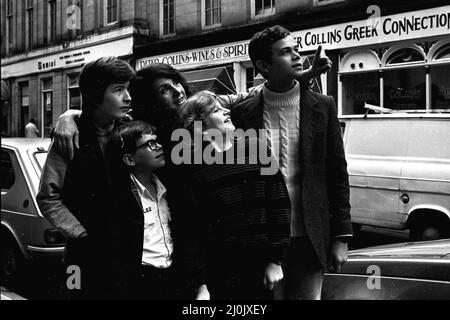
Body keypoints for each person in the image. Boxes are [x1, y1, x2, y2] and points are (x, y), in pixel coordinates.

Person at [229, 25, 353, 300]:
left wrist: (341, 237)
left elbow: (337, 174)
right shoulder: (242, 113)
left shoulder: (323, 106)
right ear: (263, 64)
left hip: (310, 238)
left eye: (297, 49)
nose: (298, 56)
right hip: (263, 241)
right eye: (287, 52)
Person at [36, 56, 135, 299]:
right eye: (118, 90)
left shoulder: (129, 130)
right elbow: (48, 197)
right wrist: (79, 233)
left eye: (127, 89)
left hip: (124, 251)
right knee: (76, 294)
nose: (128, 97)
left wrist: (68, 114)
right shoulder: (68, 138)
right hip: (80, 256)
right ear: (96, 94)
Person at [179, 91, 291, 300]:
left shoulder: (256, 148)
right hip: (219, 270)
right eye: (216, 110)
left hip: (260, 265)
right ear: (200, 128)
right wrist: (201, 284)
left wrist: (275, 260)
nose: (227, 111)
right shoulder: (194, 166)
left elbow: (279, 204)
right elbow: (193, 228)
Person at [107, 120, 187, 299]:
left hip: (172, 276)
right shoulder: (121, 197)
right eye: (149, 144)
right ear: (129, 159)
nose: (158, 146)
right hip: (142, 281)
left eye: (157, 141)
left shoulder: (168, 189)